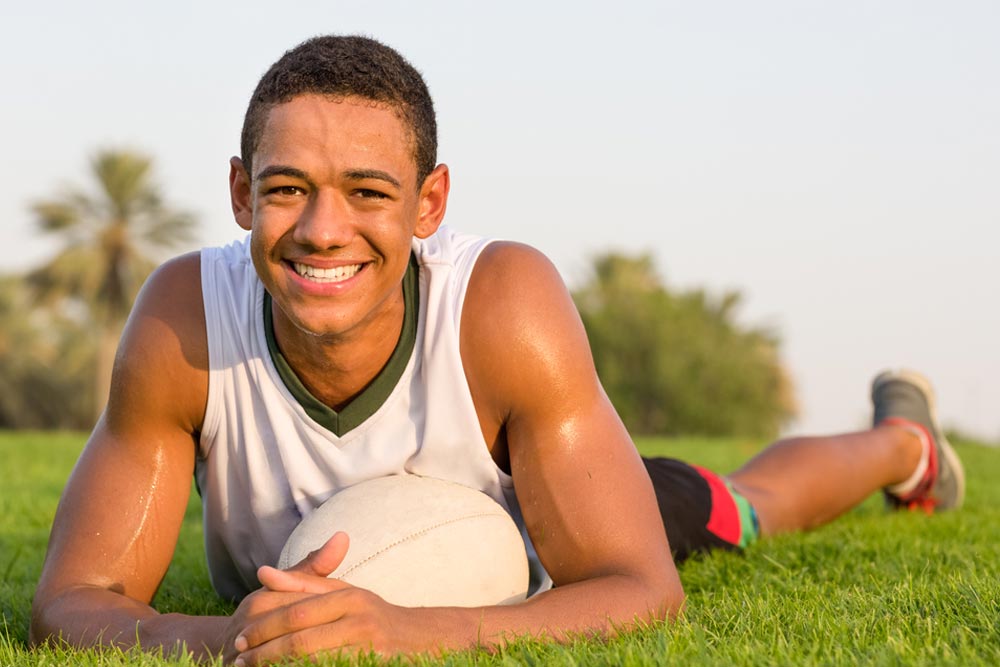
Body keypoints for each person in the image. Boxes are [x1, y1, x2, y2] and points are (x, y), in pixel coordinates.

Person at [30, 35, 964, 665]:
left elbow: (640, 587)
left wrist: (403, 632)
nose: (323, 229)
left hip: (546, 531)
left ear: (429, 204)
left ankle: (904, 443)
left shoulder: (500, 307)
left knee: (740, 507)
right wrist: (241, 638)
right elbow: (70, 598)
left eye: (367, 191)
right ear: (240, 194)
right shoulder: (183, 320)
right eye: (286, 189)